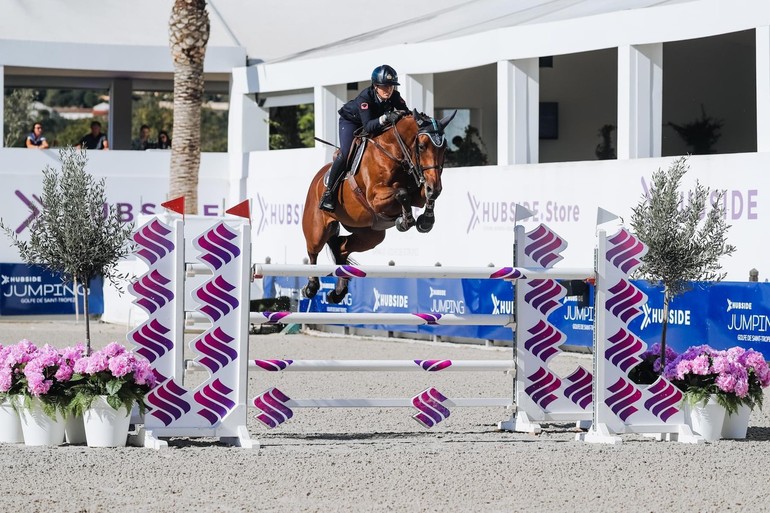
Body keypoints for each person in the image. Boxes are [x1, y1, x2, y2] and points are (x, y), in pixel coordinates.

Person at [318, 64, 409, 212]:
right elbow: (367, 127)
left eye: (391, 86)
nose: (388, 90)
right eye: (384, 86)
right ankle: (328, 193)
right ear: (375, 86)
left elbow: (407, 115)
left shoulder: (395, 97)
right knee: (346, 154)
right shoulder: (364, 98)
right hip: (352, 122)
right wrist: (386, 117)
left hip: (374, 123)